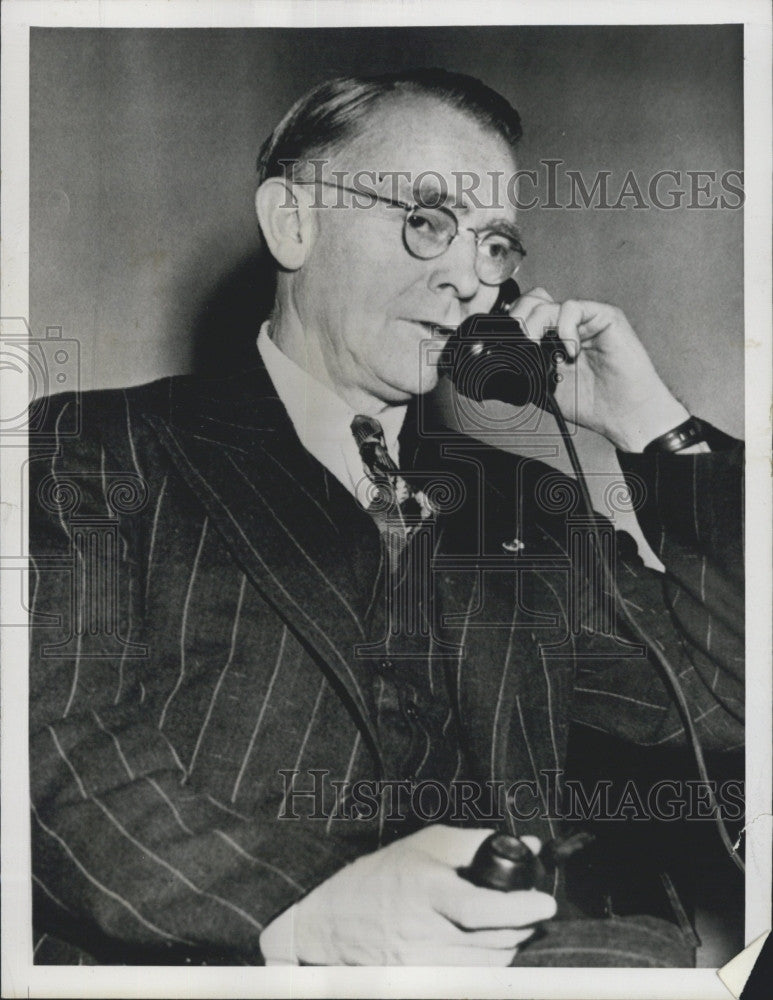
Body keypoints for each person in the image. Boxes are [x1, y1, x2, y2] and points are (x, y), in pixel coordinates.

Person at [29, 69, 744, 967]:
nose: (464, 280)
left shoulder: (528, 514)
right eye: (426, 220)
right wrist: (310, 911)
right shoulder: (93, 447)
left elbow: (735, 700)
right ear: (294, 222)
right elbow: (45, 745)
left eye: (492, 245)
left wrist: (656, 429)